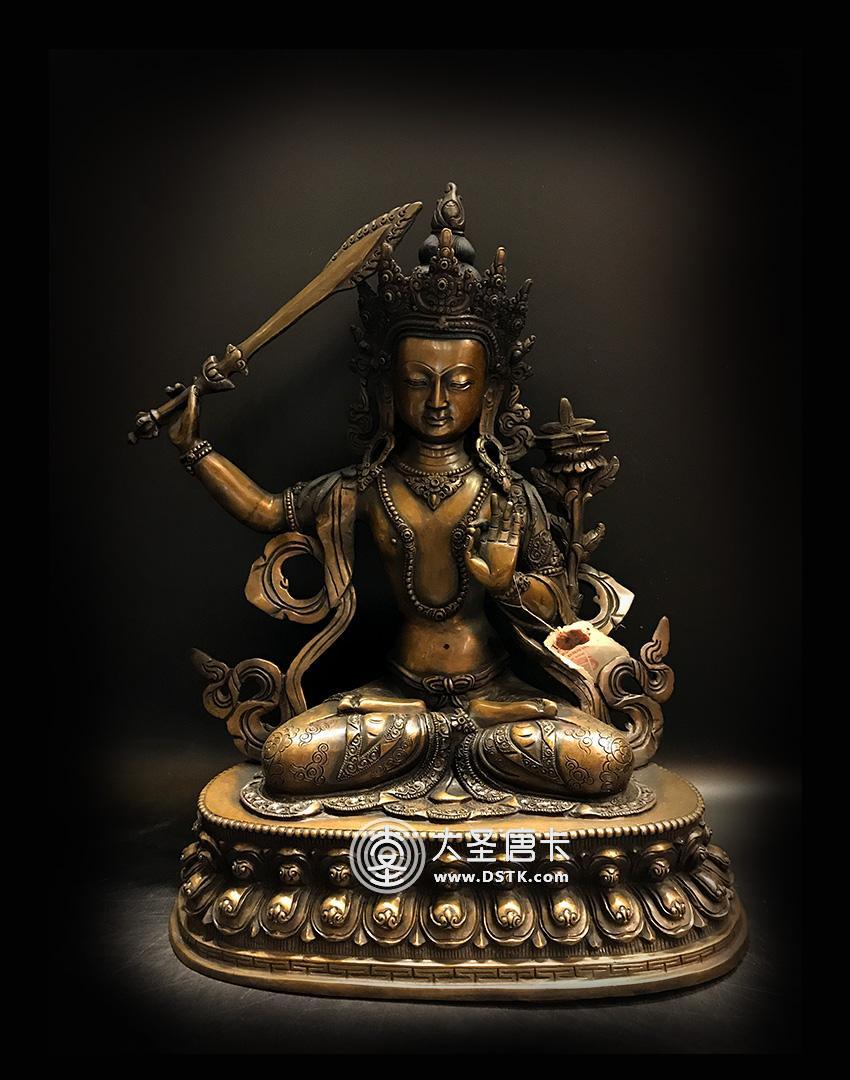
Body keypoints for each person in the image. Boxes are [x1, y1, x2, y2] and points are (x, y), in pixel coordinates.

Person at [168, 185, 635, 820]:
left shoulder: (509, 494)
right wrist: (195, 449)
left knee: (603, 758)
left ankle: (452, 752)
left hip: (497, 699)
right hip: (394, 700)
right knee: (289, 757)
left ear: (489, 395)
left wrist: (508, 583)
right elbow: (268, 510)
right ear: (389, 391)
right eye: (418, 381)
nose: (438, 401)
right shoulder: (366, 486)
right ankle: (448, 754)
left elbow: (562, 607)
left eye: (458, 383)